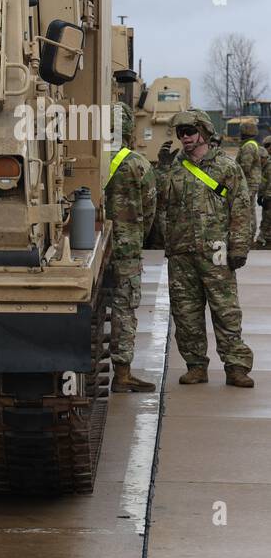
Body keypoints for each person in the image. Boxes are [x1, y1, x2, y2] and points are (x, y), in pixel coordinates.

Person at [155, 109, 255, 387]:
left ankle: (236, 366)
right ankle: (196, 366)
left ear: (204, 132)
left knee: (226, 311)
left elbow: (241, 209)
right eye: (180, 133)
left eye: (189, 131)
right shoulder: (174, 167)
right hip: (181, 252)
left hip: (217, 251)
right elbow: (161, 204)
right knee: (186, 313)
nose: (184, 138)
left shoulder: (226, 167)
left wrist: (239, 248)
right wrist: (160, 170)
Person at [105, 101, 157, 392]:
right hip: (126, 250)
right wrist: (137, 235)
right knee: (124, 310)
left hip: (90, 247)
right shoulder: (138, 163)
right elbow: (150, 209)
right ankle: (122, 374)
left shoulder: (87, 159)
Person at [235, 122, 263, 246]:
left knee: (247, 210)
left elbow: (245, 167)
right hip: (252, 182)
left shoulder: (248, 146)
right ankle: (250, 236)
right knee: (250, 209)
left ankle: (249, 237)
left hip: (249, 183)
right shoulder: (252, 145)